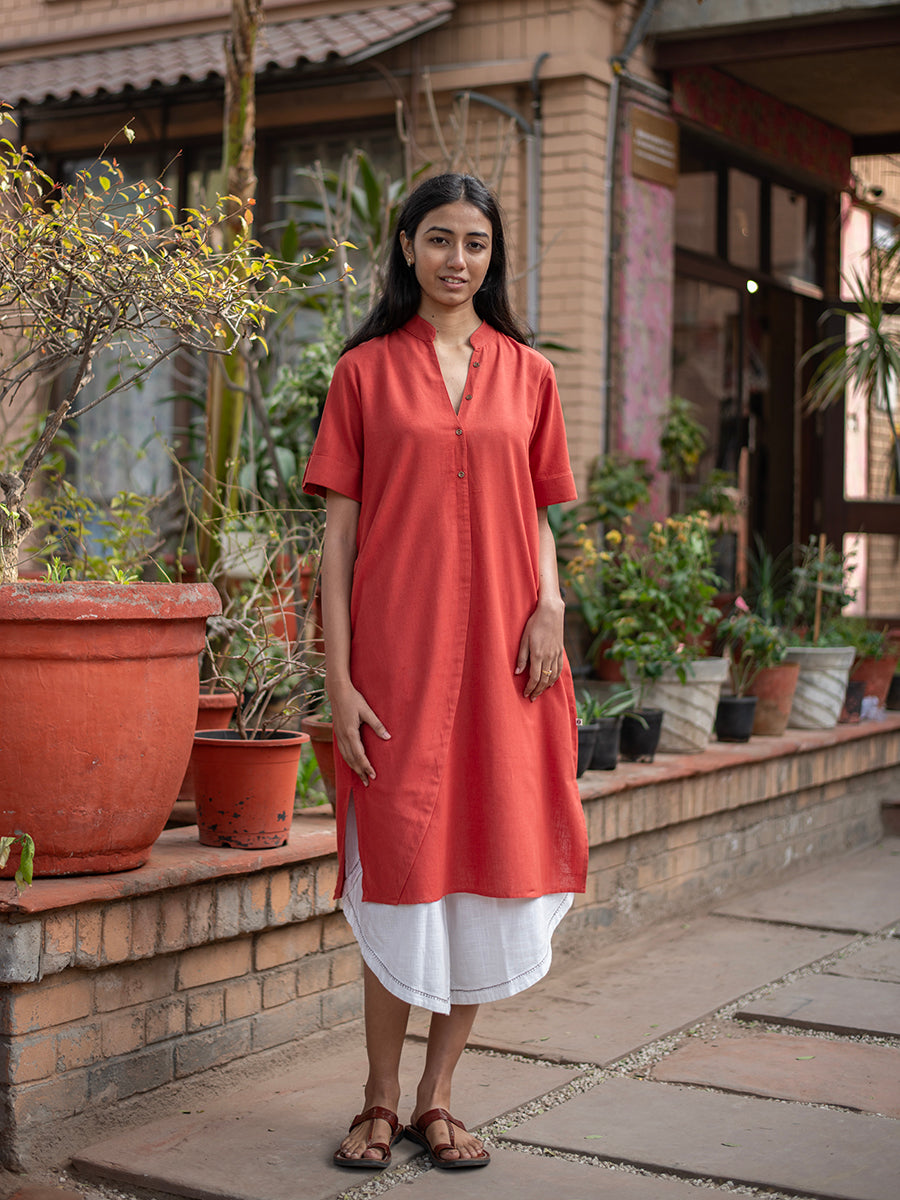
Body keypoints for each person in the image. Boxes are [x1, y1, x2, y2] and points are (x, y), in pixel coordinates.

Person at [301, 172, 588, 1172]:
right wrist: (339, 678)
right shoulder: (365, 373)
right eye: (438, 239)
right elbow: (337, 541)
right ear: (407, 247)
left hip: (512, 664)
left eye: (475, 242)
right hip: (399, 663)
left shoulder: (530, 374)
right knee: (401, 882)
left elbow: (540, 515)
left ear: (493, 255)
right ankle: (377, 1099)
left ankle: (437, 1097)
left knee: (485, 869)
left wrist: (550, 604)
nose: (457, 258)